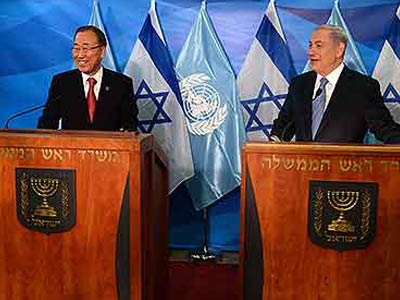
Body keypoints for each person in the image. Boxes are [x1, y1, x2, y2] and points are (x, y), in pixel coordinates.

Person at [270, 24, 400, 144]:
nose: (311, 52)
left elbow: (384, 128)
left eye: (318, 45)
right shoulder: (299, 85)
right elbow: (283, 126)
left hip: (344, 166)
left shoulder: (363, 87)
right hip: (303, 166)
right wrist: (272, 146)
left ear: (339, 50)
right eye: (310, 45)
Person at [38, 25, 138, 131]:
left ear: (102, 51)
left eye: (85, 48)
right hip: (71, 146)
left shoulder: (121, 84)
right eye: (76, 48)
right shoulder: (62, 83)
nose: (80, 55)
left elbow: (130, 126)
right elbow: (46, 125)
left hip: (110, 146)